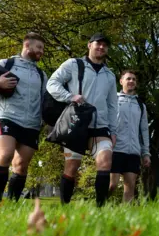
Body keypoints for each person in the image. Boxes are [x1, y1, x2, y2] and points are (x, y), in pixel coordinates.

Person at [47, 32, 118, 206]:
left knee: (105, 161)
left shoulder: (110, 75)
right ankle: (65, 206)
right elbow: (52, 84)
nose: (101, 47)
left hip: (100, 126)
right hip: (76, 123)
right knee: (71, 168)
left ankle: (100, 209)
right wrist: (70, 96)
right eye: (97, 43)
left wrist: (113, 130)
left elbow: (112, 105)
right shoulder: (73, 64)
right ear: (89, 45)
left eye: (104, 45)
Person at [0, 32, 47, 202]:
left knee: (21, 166)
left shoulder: (41, 74)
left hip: (32, 124)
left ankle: (12, 204)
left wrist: (47, 122)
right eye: (39, 47)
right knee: (5, 155)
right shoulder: (6, 64)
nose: (41, 52)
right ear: (27, 46)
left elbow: (44, 101)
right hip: (7, 116)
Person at [108, 70, 151, 203]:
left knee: (130, 188)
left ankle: (125, 220)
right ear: (121, 82)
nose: (131, 81)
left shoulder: (140, 105)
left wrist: (145, 153)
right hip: (115, 149)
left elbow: (144, 130)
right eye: (128, 79)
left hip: (133, 151)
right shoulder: (113, 100)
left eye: (133, 79)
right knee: (112, 185)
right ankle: (99, 207)